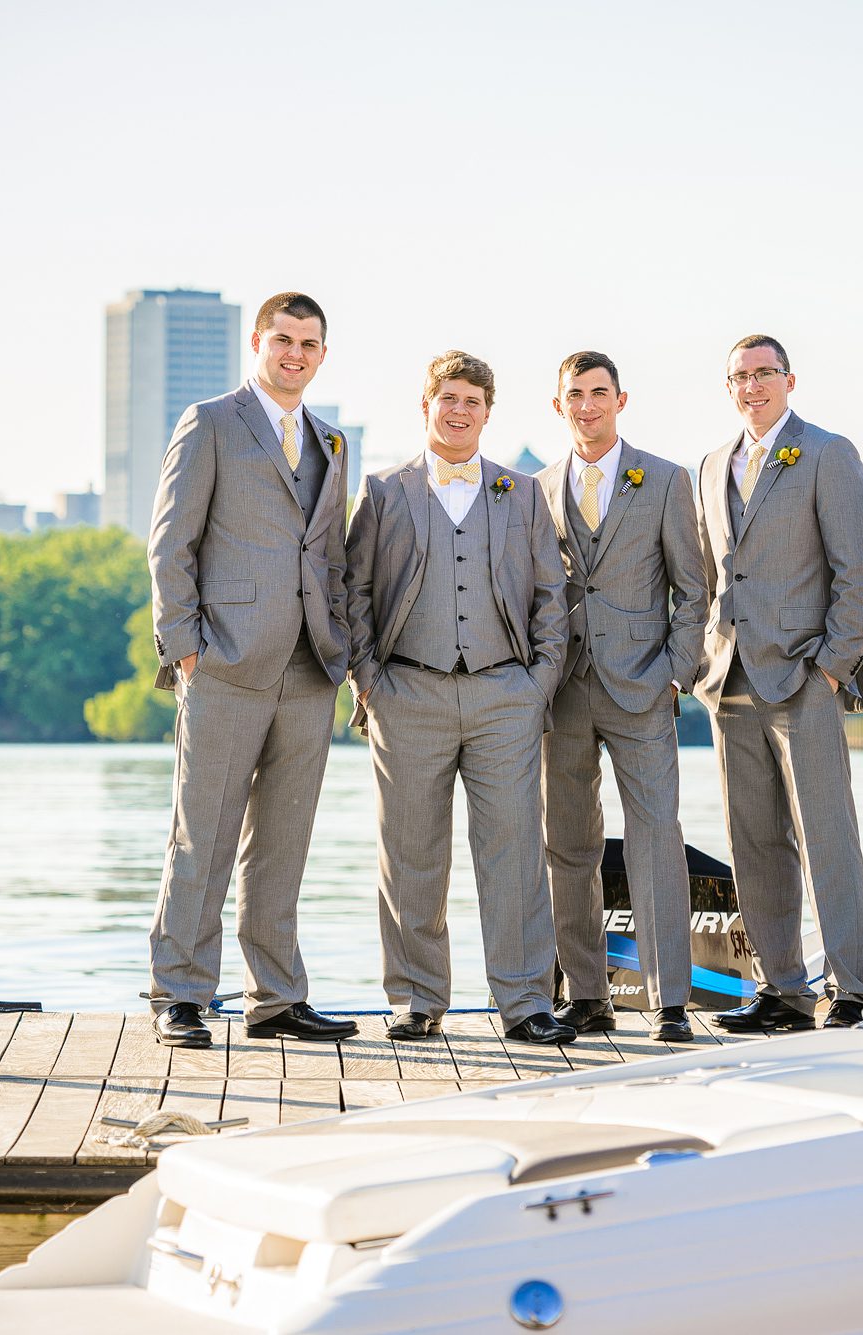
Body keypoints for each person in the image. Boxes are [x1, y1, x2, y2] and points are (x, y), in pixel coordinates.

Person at [144, 291, 358, 1049]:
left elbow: (330, 554)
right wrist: (186, 645)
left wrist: (340, 647)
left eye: (309, 343)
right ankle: (181, 994)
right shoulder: (210, 422)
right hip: (226, 660)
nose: (295, 353)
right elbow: (171, 542)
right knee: (202, 832)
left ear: (322, 355)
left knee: (284, 838)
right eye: (283, 340)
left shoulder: (332, 442)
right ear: (258, 344)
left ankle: (276, 996)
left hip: (309, 668)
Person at [345, 349, 574, 1046]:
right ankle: (416, 1000)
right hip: (405, 691)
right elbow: (351, 592)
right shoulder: (384, 491)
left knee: (513, 855)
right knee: (410, 854)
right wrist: (370, 681)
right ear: (426, 405)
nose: (459, 410)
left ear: (487, 412)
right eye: (448, 398)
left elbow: (549, 596)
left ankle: (527, 1002)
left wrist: (538, 683)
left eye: (472, 401)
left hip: (506, 693)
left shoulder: (522, 492)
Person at [693, 334, 863, 1032]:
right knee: (754, 841)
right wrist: (704, 662)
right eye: (740, 376)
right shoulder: (712, 465)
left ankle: (852, 987)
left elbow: (857, 571)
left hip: (803, 676)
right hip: (731, 678)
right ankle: (782, 992)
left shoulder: (828, 454)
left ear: (789, 380)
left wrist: (831, 667)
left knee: (826, 835)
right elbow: (712, 574)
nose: (752, 385)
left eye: (764, 373)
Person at [535, 351, 707, 1044]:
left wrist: (675, 672)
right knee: (566, 846)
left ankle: (669, 1000)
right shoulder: (534, 488)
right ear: (558, 406)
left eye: (599, 392)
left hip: (643, 686)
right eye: (574, 394)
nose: (587, 405)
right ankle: (586, 995)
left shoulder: (664, 479)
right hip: (563, 691)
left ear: (621, 399)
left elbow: (694, 592)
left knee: (656, 837)